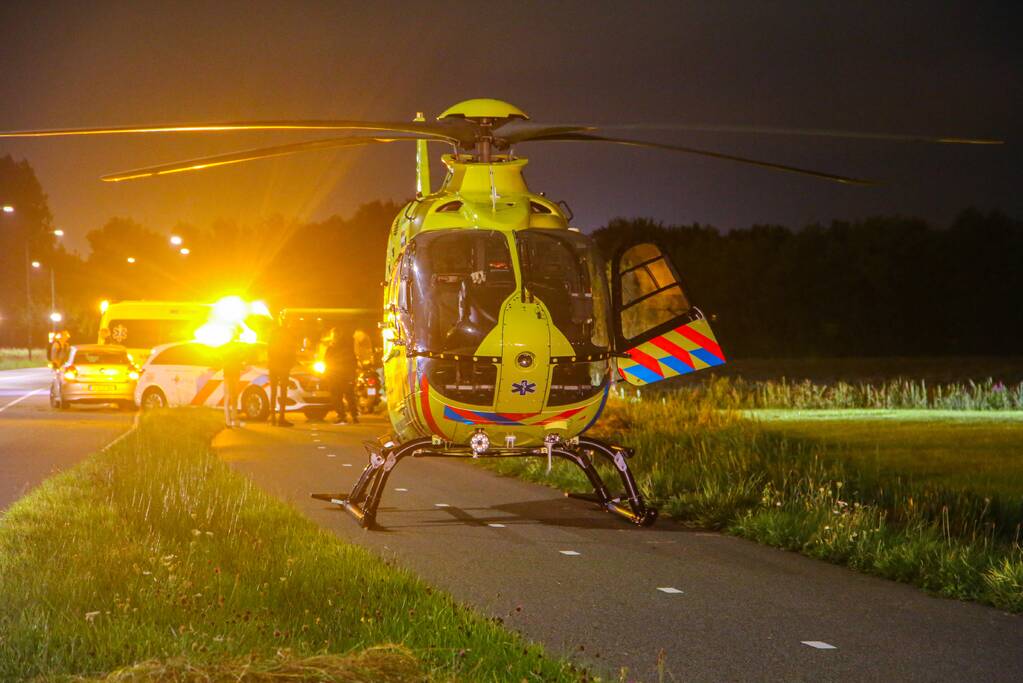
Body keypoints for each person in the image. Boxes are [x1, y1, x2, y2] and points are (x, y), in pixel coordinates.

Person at [325, 326, 358, 424]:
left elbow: (352, 361)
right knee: (337, 396)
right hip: (335, 376)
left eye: (335, 335)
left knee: (349, 396)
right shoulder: (331, 348)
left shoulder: (344, 347)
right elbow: (326, 361)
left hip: (344, 375)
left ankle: (352, 415)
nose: (334, 337)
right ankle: (343, 415)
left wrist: (352, 374)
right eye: (333, 335)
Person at [267, 318, 297, 427]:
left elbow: (269, 348)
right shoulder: (289, 334)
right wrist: (290, 363)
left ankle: (273, 418)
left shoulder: (273, 333)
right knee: (283, 392)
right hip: (284, 366)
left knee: (273, 391)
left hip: (273, 365)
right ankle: (281, 417)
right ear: (287, 323)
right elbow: (292, 350)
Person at [221, 337, 247, 428]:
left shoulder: (224, 347)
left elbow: (220, 360)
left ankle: (228, 422)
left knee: (228, 398)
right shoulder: (238, 348)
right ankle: (234, 420)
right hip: (235, 375)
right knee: (234, 398)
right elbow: (241, 361)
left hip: (228, 374)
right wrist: (242, 366)